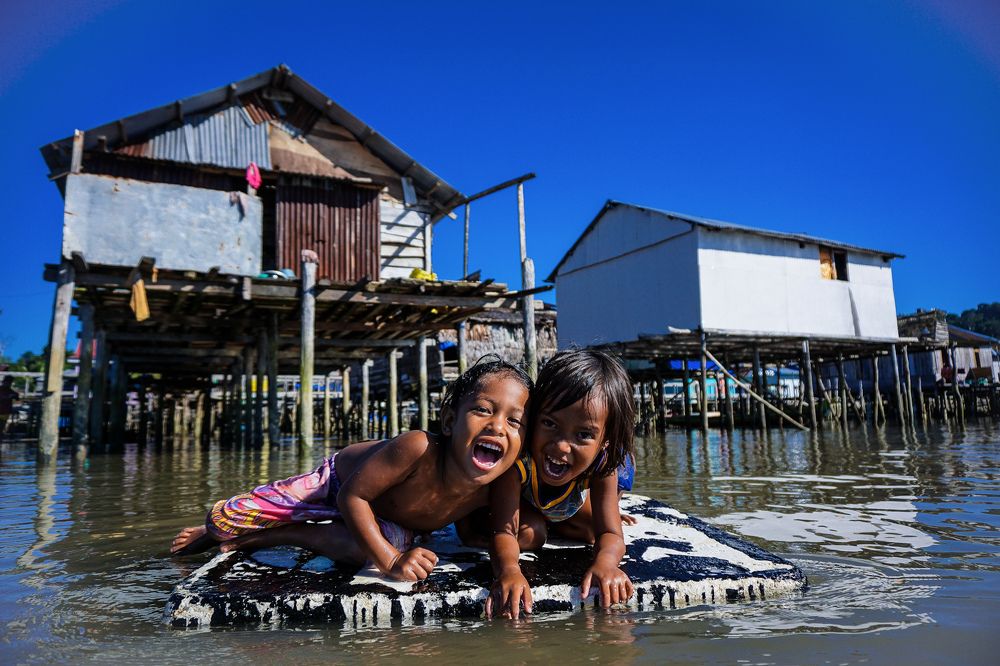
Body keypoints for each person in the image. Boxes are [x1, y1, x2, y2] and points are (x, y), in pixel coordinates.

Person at [170, 357, 531, 582]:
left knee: (370, 549)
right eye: (483, 410)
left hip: (387, 518)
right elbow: (352, 495)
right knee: (223, 522)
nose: (498, 426)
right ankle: (222, 530)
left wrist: (509, 570)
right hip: (336, 483)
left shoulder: (499, 480)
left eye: (514, 421)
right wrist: (391, 562)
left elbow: (501, 530)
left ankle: (279, 535)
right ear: (450, 420)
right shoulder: (418, 447)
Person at [484, 349, 637, 618]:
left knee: (592, 531)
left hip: (565, 502)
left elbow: (611, 534)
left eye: (584, 434)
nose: (561, 445)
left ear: (605, 441)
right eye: (549, 423)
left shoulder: (603, 463)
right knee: (532, 533)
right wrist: (509, 571)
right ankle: (473, 525)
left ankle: (610, 503)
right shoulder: (520, 461)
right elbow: (504, 532)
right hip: (523, 502)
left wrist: (606, 563)